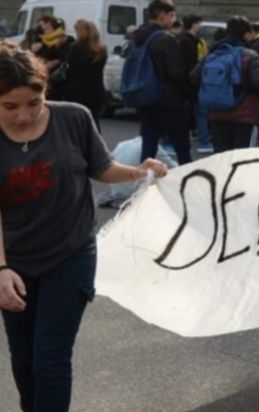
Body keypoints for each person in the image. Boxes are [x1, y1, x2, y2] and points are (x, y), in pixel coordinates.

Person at [0, 43, 169, 412]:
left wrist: (141, 171)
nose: (24, 115)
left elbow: (101, 168)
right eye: (10, 107)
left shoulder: (74, 118)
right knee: (24, 356)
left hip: (71, 253)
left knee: (51, 356)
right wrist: (1, 269)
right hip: (13, 261)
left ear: (46, 90)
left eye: (34, 101)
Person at [190, 18, 259, 153]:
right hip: (244, 117)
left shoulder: (213, 54)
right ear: (244, 34)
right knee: (241, 161)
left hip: (217, 115)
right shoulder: (249, 55)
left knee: (221, 161)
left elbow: (193, 76)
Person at [133, 0, 192, 165]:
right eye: (171, 15)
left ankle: (146, 180)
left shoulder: (139, 37)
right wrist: (186, 91)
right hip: (168, 98)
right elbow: (176, 73)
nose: (173, 19)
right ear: (162, 15)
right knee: (182, 145)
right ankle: (187, 183)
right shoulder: (166, 40)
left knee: (149, 143)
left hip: (144, 95)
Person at [61, 20, 108, 129]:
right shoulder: (101, 49)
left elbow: (67, 66)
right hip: (96, 90)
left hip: (75, 90)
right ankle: (94, 144)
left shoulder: (74, 48)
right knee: (93, 122)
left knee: (74, 124)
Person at [179, 14, 211, 154]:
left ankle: (188, 138)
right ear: (193, 24)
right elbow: (190, 63)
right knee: (200, 112)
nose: (200, 26)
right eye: (199, 23)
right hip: (193, 82)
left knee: (191, 112)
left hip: (188, 82)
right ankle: (203, 141)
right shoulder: (189, 41)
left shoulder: (186, 40)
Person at [35, 16, 75, 101]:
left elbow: (65, 57)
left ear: (53, 24)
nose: (43, 27)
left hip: (58, 78)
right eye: (41, 25)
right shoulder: (43, 40)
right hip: (44, 76)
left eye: (45, 24)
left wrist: (54, 62)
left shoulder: (65, 39)